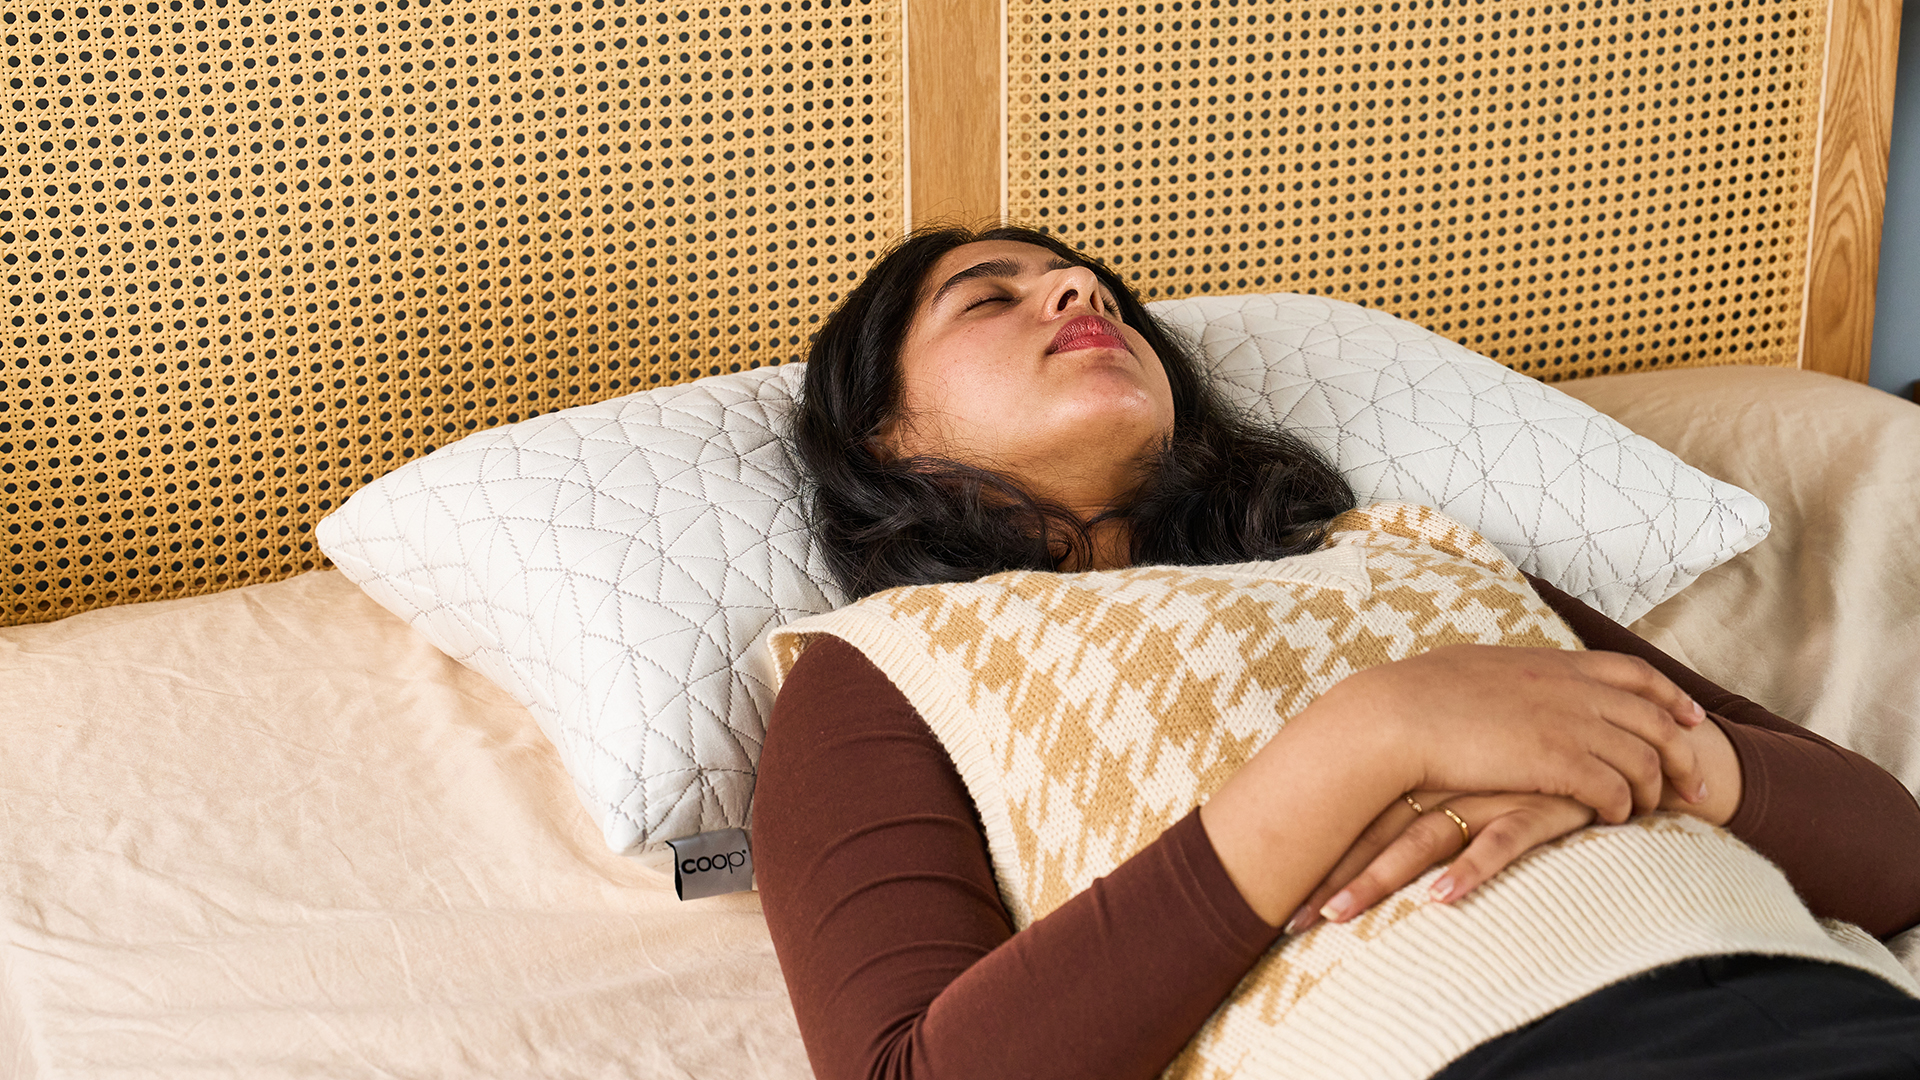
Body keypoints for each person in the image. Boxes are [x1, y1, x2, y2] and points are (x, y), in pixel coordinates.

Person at [752, 225, 1920, 1080]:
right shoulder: (883, 660)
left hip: (1829, 1006)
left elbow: (1897, 859)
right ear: (882, 436)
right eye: (986, 298)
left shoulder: (1410, 549)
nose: (1072, 284)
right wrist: (1368, 740)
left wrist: (1683, 765)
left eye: (1088, 284)